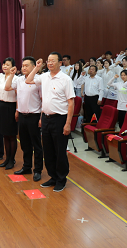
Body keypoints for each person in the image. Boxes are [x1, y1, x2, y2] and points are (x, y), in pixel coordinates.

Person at [26, 52, 75, 193]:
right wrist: (37, 67)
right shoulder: (44, 76)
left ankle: (61, 179)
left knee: (60, 151)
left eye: (53, 60)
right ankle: (53, 177)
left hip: (60, 119)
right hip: (46, 119)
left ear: (60, 63)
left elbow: (71, 103)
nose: (50, 63)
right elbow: (28, 80)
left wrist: (68, 123)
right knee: (48, 151)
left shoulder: (65, 79)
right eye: (48, 61)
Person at [5, 56, 43, 181]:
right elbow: (7, 87)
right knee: (25, 144)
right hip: (22, 115)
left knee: (36, 145)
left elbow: (43, 100)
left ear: (34, 66)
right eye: (23, 66)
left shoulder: (38, 80)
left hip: (34, 116)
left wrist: (41, 118)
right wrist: (12, 74)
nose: (24, 68)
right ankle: (27, 167)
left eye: (27, 65)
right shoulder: (19, 79)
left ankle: (37, 170)